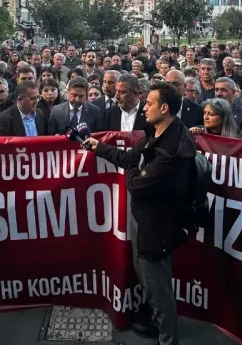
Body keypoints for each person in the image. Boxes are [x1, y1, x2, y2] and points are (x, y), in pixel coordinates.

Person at [84, 83, 195, 343]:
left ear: (164, 108)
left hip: (158, 228)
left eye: (149, 104)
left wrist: (134, 172)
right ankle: (157, 325)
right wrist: (98, 147)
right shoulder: (156, 132)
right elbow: (129, 160)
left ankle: (168, 338)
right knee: (144, 274)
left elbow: (138, 186)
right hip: (145, 221)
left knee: (158, 289)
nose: (144, 108)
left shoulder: (173, 149)